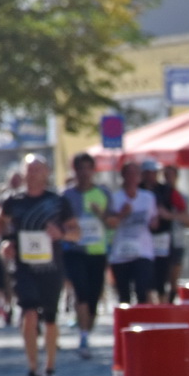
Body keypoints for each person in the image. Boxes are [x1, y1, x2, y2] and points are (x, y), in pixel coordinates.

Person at [0, 154, 78, 376]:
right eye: (29, 170)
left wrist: (61, 233)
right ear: (22, 173)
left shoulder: (58, 202)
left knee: (50, 318)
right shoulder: (13, 200)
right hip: (24, 267)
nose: (33, 175)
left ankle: (50, 369)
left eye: (38, 170)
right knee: (29, 314)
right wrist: (5, 242)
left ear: (47, 173)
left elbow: (76, 232)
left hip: (51, 268)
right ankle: (33, 370)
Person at [60, 153, 111, 358]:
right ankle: (83, 337)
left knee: (94, 297)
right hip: (74, 250)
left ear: (93, 170)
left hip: (98, 251)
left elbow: (112, 222)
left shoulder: (103, 193)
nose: (83, 173)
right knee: (80, 291)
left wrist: (101, 214)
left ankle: (86, 329)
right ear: (74, 171)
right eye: (79, 168)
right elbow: (59, 221)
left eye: (87, 168)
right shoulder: (66, 196)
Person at [104, 158, 156, 305]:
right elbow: (110, 225)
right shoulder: (115, 198)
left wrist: (156, 221)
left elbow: (154, 220)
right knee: (124, 295)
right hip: (120, 253)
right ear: (123, 176)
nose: (132, 177)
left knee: (142, 290)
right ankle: (126, 325)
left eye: (135, 174)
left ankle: (143, 324)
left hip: (143, 252)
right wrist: (122, 214)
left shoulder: (148, 198)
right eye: (129, 173)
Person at [149, 162, 189, 302]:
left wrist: (170, 216)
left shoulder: (181, 196)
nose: (168, 179)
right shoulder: (158, 193)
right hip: (159, 242)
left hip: (176, 241)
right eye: (165, 176)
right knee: (160, 277)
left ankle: (170, 304)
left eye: (171, 176)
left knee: (173, 279)